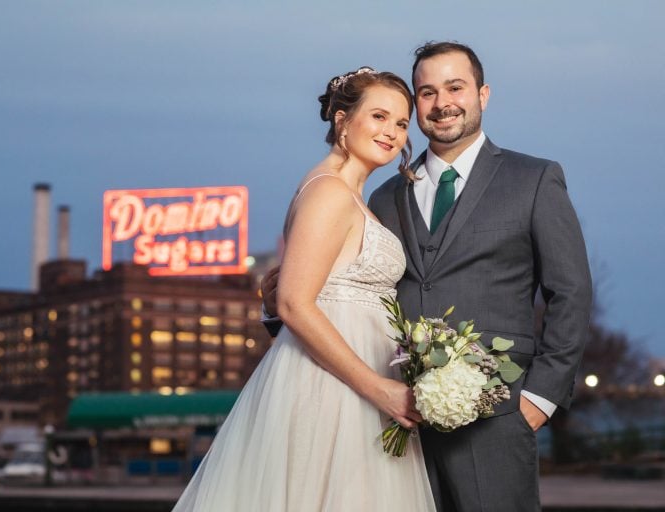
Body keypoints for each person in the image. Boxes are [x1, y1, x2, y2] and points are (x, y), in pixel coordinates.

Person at [263, 42, 592, 512]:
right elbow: (335, 295)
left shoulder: (534, 179)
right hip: (388, 422)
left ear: (483, 94)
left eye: (455, 87)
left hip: (496, 418)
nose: (442, 103)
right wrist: (272, 302)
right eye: (426, 92)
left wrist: (539, 400)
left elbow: (571, 292)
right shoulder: (382, 197)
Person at [172, 68, 436, 512]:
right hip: (336, 393)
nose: (391, 132)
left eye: (401, 123)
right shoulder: (329, 192)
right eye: (379, 116)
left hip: (355, 383)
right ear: (341, 121)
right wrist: (378, 388)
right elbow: (294, 302)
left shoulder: (351, 195)